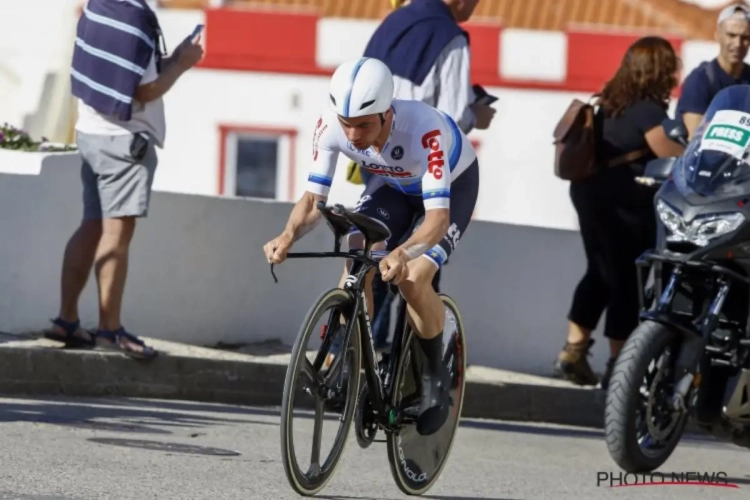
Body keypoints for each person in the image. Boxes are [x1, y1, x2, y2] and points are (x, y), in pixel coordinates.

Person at [263, 57, 480, 436]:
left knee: (412, 278)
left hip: (451, 191)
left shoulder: (423, 132)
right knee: (357, 249)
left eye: (363, 125)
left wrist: (401, 252)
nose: (353, 135)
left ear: (386, 113)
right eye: (346, 124)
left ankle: (434, 377)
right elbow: (313, 201)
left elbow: (436, 221)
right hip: (394, 186)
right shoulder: (331, 126)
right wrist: (287, 235)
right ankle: (352, 359)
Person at [44, 0, 204, 358]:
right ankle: (109, 329)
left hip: (89, 133)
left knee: (90, 226)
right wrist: (181, 64)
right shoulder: (135, 16)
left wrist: (170, 57)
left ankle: (66, 320)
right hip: (125, 142)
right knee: (116, 237)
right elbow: (142, 91)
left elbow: (125, 72)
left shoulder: (99, 7)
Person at [345, 0, 496, 348]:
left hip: (380, 158)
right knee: (417, 272)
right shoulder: (451, 37)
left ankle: (355, 357)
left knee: (372, 258)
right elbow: (453, 118)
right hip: (427, 167)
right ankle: (422, 379)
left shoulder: (392, 22)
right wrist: (478, 115)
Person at [553, 36, 685, 389]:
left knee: (599, 270)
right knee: (627, 280)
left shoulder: (608, 103)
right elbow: (669, 154)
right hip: (623, 202)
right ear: (660, 72)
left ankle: (574, 350)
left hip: (588, 194)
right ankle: (619, 367)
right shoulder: (648, 111)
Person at [676, 3, 750, 139]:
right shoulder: (700, 80)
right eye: (731, 35)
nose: (738, 44)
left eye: (744, 37)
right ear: (717, 36)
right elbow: (693, 140)